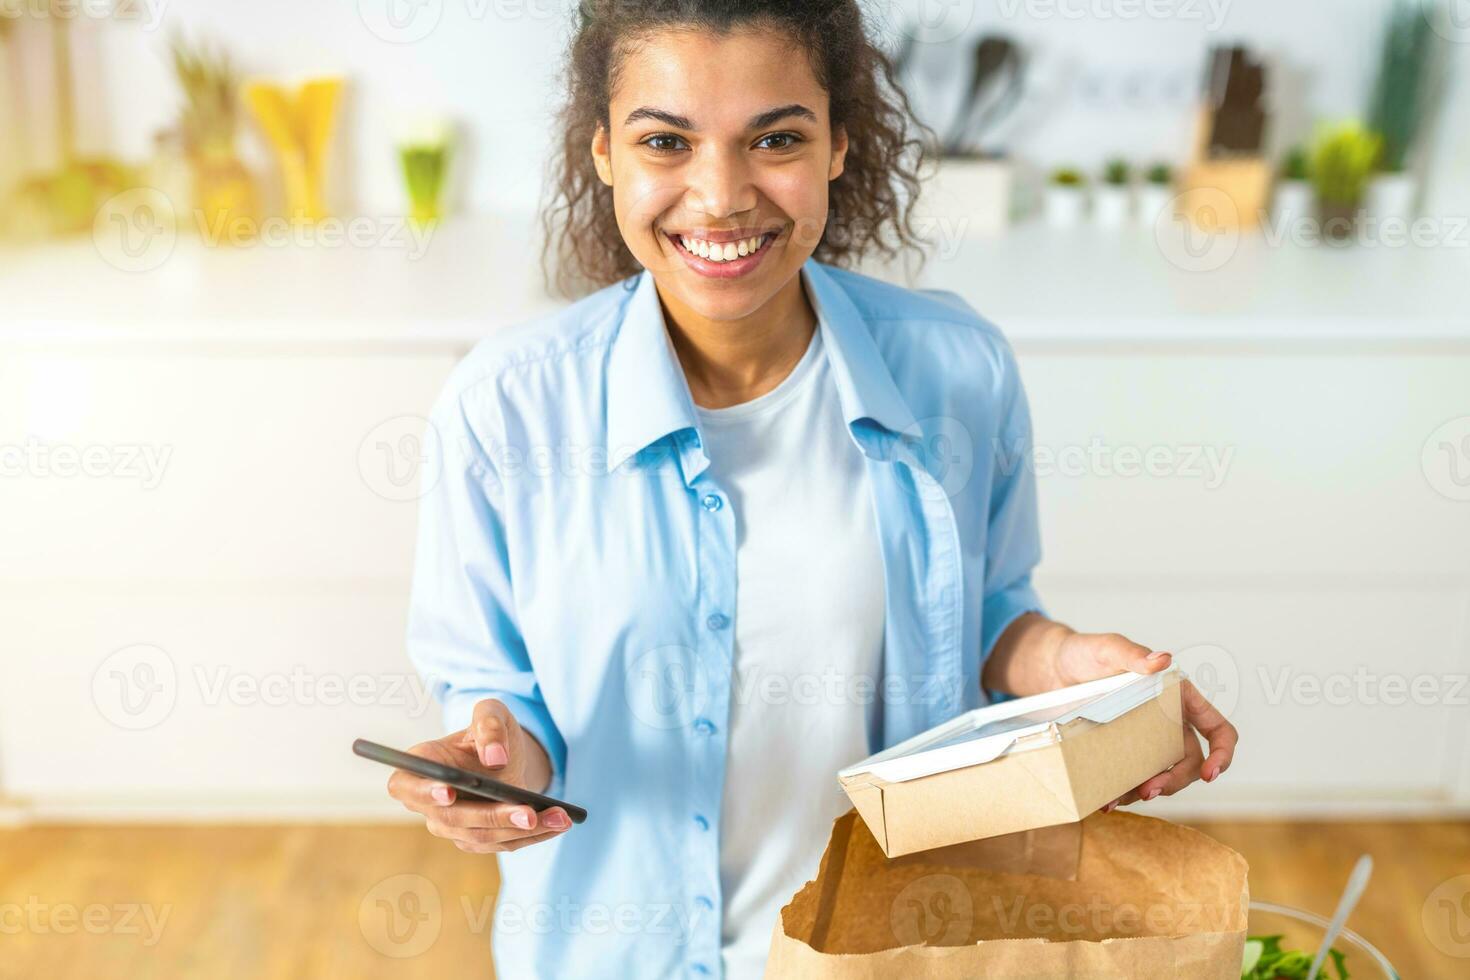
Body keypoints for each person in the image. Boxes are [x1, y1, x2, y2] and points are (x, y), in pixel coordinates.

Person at [386, 2, 1239, 977]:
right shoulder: (506, 410)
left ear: (838, 143)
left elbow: (993, 616)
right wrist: (490, 766)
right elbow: (506, 709)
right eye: (666, 140)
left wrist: (1072, 665)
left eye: (776, 137)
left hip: (888, 948)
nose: (720, 196)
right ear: (605, 154)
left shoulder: (954, 371)